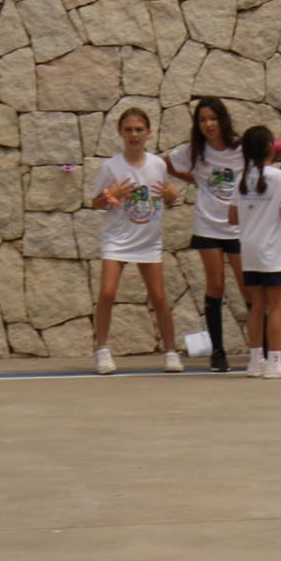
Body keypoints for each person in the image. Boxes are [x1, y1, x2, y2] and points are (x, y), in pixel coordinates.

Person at [89, 108, 182, 376]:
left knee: (159, 296)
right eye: (128, 130)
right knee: (107, 292)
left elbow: (167, 196)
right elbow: (95, 202)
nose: (134, 135)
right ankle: (102, 350)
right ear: (120, 132)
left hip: (148, 241)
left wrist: (172, 196)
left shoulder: (158, 165)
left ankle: (171, 351)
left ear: (148, 132)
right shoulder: (111, 166)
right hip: (117, 238)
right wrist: (110, 194)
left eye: (139, 129)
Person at [167, 97, 249, 372]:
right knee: (215, 285)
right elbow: (167, 163)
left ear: (222, 120)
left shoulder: (240, 147)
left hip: (237, 225)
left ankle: (260, 348)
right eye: (202, 120)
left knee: (247, 285)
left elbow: (269, 154)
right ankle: (218, 351)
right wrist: (195, 180)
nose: (208, 124)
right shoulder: (195, 151)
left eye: (212, 118)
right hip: (208, 226)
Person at [225, 125, 281, 379]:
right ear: (271, 147)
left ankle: (255, 360)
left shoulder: (240, 179)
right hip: (272, 251)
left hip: (248, 250)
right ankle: (275, 362)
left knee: (257, 305)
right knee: (277, 305)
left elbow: (232, 217)